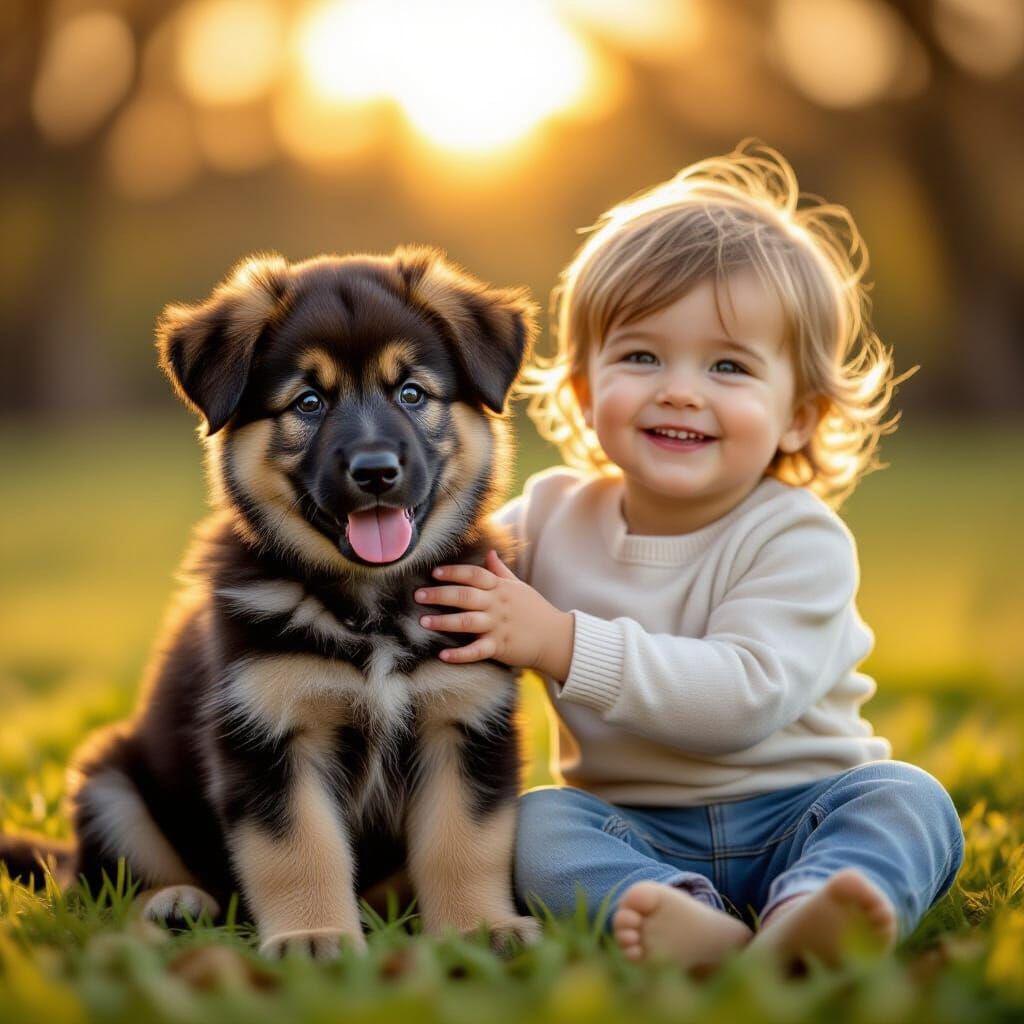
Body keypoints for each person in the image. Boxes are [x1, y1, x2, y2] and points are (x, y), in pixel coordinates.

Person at [411, 144, 964, 973]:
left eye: (728, 366)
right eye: (641, 356)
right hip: (631, 823)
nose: (679, 389)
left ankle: (813, 909)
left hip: (804, 808)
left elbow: (740, 699)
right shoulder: (547, 519)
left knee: (909, 801)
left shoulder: (797, 538)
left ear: (800, 415)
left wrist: (560, 641)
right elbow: (436, 595)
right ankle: (678, 915)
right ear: (586, 389)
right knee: (536, 824)